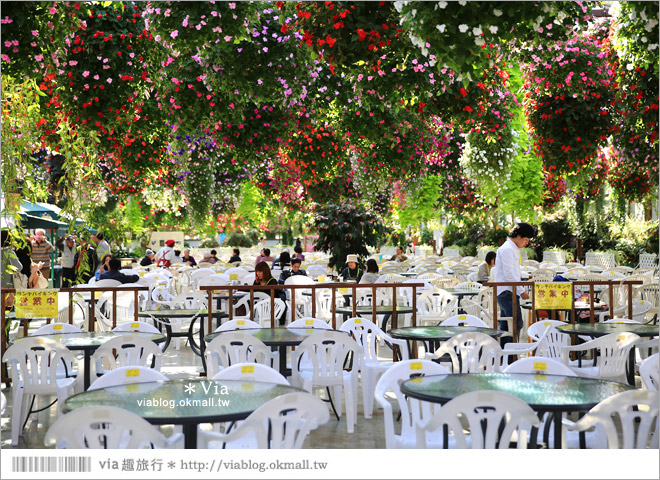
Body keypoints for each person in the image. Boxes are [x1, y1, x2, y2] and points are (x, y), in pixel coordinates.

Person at [494, 222, 536, 345]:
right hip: (507, 292)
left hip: (507, 291)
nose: (526, 243)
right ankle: (510, 354)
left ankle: (504, 354)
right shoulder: (508, 249)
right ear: (518, 236)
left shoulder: (511, 248)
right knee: (515, 323)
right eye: (526, 239)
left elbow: (512, 272)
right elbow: (509, 275)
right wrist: (522, 291)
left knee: (507, 326)